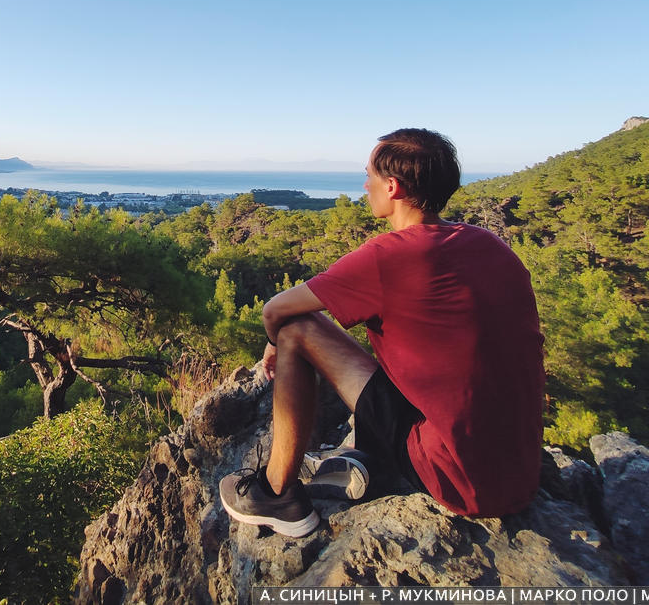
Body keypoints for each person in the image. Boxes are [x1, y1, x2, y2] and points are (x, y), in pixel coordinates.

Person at [219, 129, 544, 537]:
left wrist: (272, 343)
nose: (364, 184)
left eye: (368, 174)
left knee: (295, 329)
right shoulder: (489, 245)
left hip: (456, 480)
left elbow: (275, 310)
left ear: (393, 187)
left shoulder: (389, 257)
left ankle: (278, 495)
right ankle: (376, 460)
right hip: (517, 473)